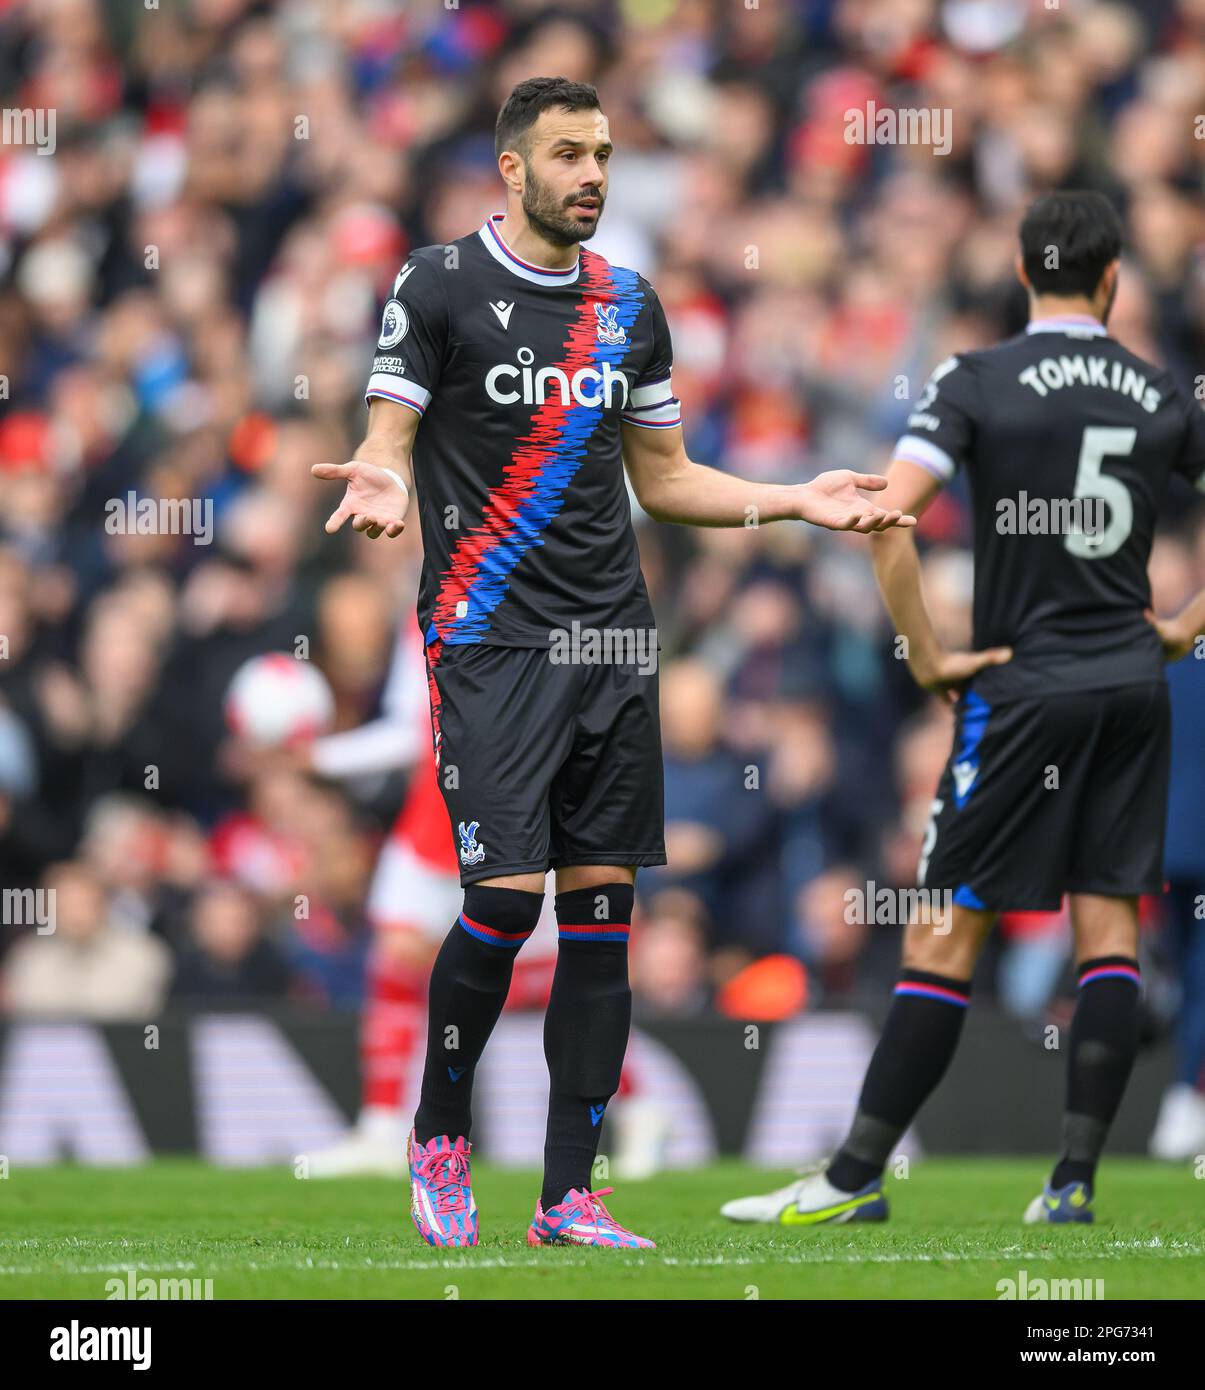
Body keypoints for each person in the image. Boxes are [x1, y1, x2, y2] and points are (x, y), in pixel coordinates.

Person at [313, 75, 914, 1250]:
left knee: (601, 916)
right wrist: (384, 466)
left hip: (611, 644)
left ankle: (567, 1193)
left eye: (601, 152)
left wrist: (794, 498)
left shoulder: (629, 304)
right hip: (488, 642)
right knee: (498, 898)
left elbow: (667, 478)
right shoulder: (436, 286)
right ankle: (437, 1138)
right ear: (511, 167)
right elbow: (385, 429)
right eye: (568, 154)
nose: (591, 173)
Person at [721, 189, 1205, 1228]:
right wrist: (1183, 621)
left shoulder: (978, 378)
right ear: (1111, 279)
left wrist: (925, 650)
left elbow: (884, 515)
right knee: (1108, 929)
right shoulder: (1157, 389)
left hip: (1021, 685)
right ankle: (1070, 1183)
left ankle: (851, 1179)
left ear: (1023, 273)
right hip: (1129, 682)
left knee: (943, 932)